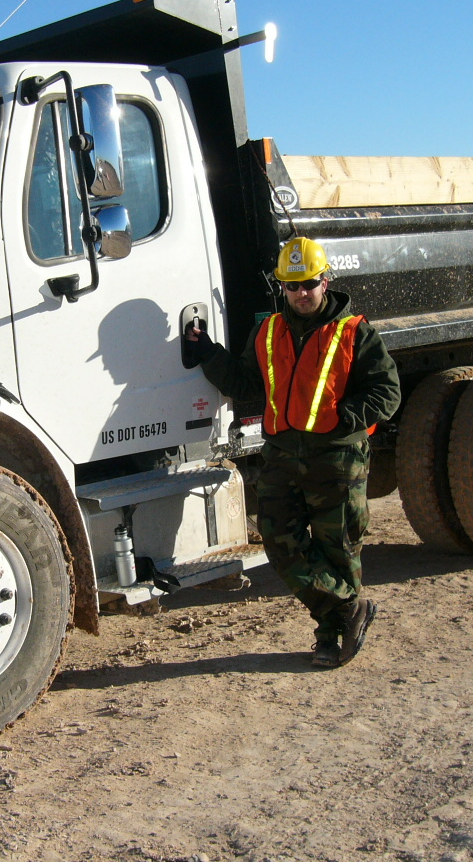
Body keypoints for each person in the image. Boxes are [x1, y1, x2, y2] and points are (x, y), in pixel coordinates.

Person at [187, 237, 401, 667]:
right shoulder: (268, 331)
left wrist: (344, 417)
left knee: (336, 549)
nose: (302, 294)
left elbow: (388, 390)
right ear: (281, 287)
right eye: (292, 286)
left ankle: (330, 637)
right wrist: (208, 353)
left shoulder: (355, 331)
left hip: (337, 459)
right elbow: (247, 385)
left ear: (326, 281)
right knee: (279, 544)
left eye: (309, 284)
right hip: (282, 456)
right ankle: (347, 609)